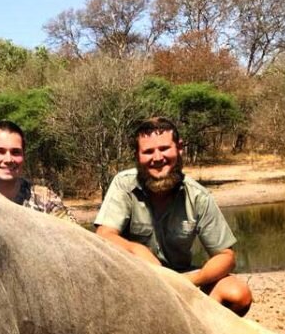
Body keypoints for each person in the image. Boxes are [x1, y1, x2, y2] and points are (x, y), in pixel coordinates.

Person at [94, 116, 252, 316]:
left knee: (238, 294)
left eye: (164, 148)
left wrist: (189, 281)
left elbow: (225, 256)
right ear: (137, 155)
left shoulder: (198, 196)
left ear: (179, 148)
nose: (157, 158)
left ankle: (202, 333)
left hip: (182, 281)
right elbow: (104, 235)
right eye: (148, 151)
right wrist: (136, 249)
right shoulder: (123, 185)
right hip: (135, 281)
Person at [0, 120, 65, 213]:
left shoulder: (45, 199)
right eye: (0, 151)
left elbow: (70, 227)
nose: (8, 159)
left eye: (15, 152)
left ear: (24, 157)